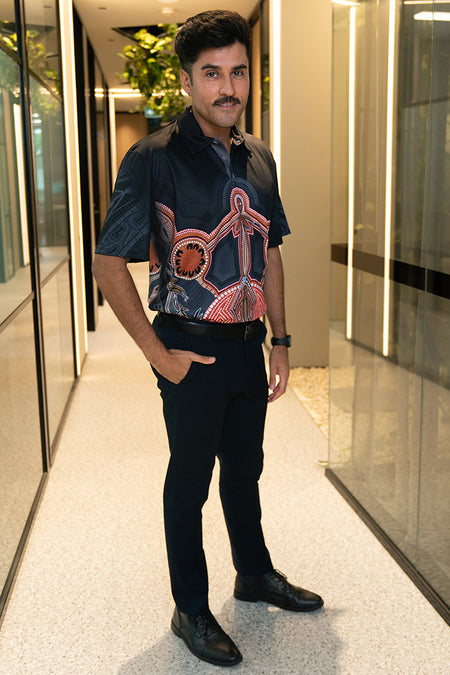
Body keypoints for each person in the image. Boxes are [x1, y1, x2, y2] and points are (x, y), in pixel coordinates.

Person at [93, 9, 323, 668]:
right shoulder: (153, 158)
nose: (229, 87)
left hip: (248, 343)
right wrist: (159, 355)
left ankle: (253, 573)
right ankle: (189, 606)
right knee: (190, 479)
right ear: (187, 81)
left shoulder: (260, 157)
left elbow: (270, 252)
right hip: (190, 346)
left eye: (239, 72)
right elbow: (108, 263)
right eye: (212, 73)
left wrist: (281, 340)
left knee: (244, 470)